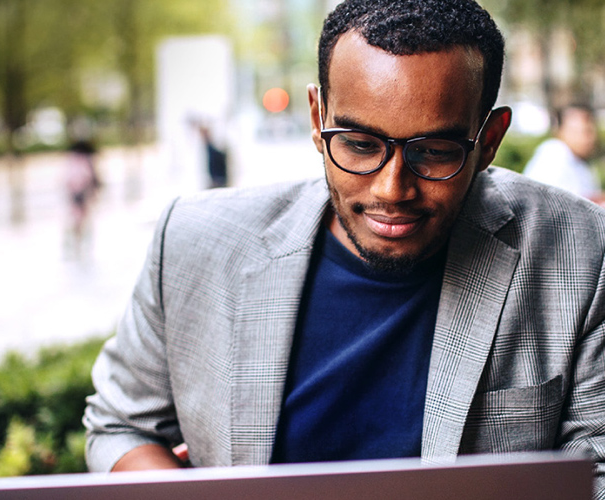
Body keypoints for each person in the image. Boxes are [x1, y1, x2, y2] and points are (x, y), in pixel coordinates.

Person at [83, 0, 605, 496]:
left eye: (434, 151)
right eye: (359, 144)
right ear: (317, 116)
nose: (391, 190)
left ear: (488, 140)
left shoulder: (580, 250)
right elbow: (119, 426)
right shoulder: (194, 240)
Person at [522, 104, 603, 202]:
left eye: (591, 131)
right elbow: (554, 201)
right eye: (583, 132)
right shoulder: (554, 153)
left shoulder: (580, 160)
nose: (590, 139)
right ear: (560, 131)